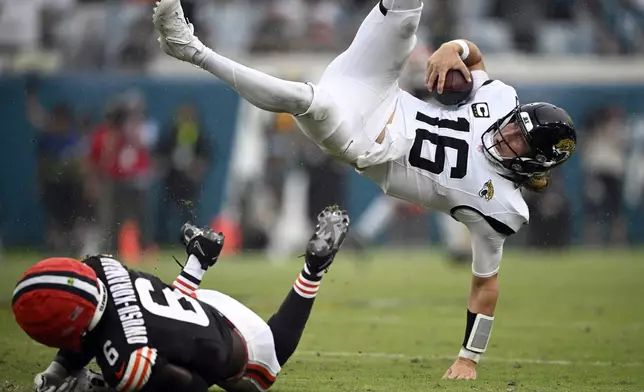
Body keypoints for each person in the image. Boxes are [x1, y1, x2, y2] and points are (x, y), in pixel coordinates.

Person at [152, 0, 577, 380]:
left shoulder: (499, 208)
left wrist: (470, 358)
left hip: (366, 142)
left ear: (535, 161)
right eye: (513, 125)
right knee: (408, 8)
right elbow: (475, 57)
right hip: (378, 89)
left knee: (307, 100)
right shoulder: (501, 101)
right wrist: (456, 48)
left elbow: (485, 285)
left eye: (519, 140)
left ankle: (188, 48)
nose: (506, 133)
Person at [12, 206, 350, 392]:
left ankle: (313, 268)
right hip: (194, 305)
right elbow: (93, 318)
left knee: (265, 372)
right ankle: (198, 260)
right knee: (158, 327)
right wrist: (59, 370)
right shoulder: (101, 265)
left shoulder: (128, 363)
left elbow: (197, 385)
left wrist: (104, 387)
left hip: (239, 344)